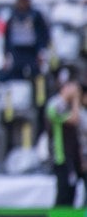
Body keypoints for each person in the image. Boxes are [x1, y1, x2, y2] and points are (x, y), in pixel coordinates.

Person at [45, 68, 87, 207]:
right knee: (64, 194)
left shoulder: (77, 108)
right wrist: (75, 98)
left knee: (74, 194)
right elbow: (73, 119)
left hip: (77, 159)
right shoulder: (54, 104)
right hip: (61, 157)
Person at [0, 0, 49, 81]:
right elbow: (7, 37)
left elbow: (43, 34)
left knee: (37, 76)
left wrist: (42, 51)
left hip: (32, 51)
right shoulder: (13, 16)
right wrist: (6, 54)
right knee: (15, 76)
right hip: (17, 52)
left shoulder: (35, 15)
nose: (22, 2)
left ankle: (38, 96)